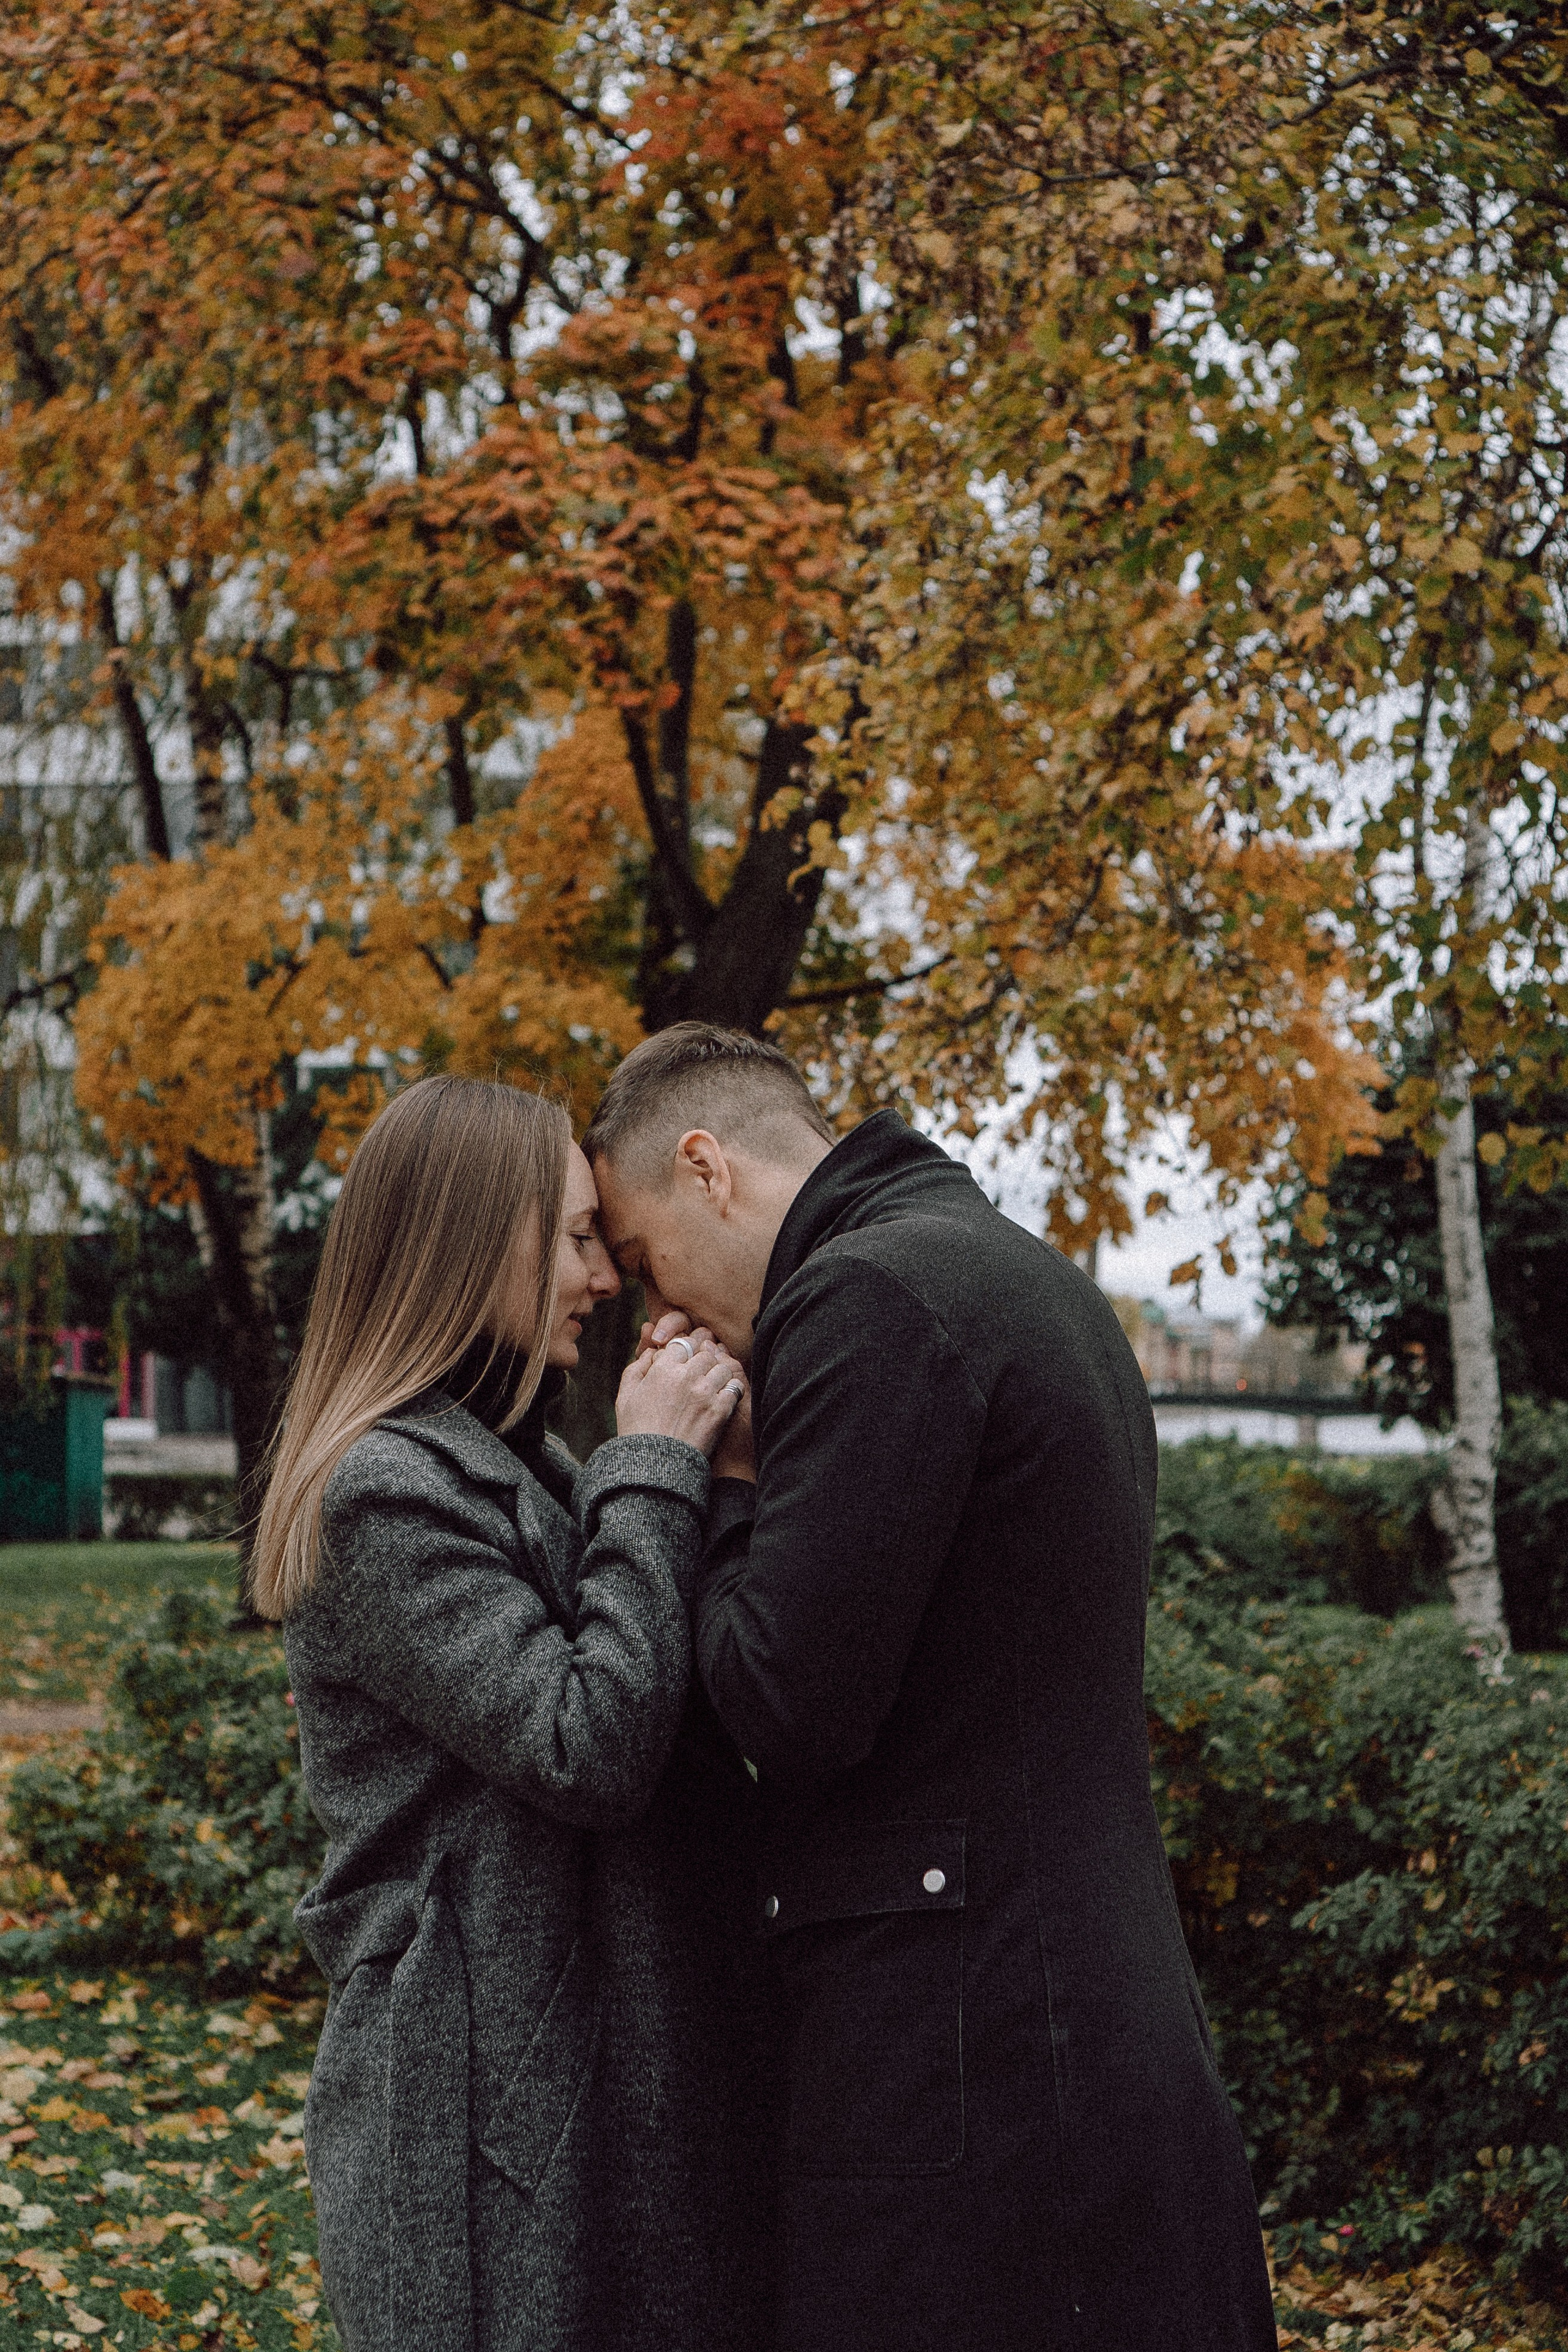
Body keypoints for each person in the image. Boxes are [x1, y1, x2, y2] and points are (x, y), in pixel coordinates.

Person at [586, 1023, 1279, 2352]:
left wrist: (717, 1484)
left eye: (638, 1259)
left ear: (704, 1169)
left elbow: (782, 1707)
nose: (653, 1313)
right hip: (1062, 2011)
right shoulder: (1011, 1274)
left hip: (970, 2054)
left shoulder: (868, 1300)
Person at [253, 1074, 772, 2352]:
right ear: (467, 1242)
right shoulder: (384, 1489)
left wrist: (723, 1471)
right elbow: (585, 1744)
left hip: (587, 2068)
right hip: (485, 2110)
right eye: (574, 1237)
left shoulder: (520, 1468)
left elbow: (674, 1695)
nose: (603, 1281)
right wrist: (650, 1465)